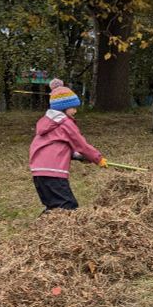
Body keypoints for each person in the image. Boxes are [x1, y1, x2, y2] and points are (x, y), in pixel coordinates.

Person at [29, 79, 106, 212]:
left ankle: (40, 231)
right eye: (73, 107)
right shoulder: (65, 123)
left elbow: (54, 148)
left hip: (39, 172)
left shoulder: (47, 123)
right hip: (54, 173)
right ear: (63, 107)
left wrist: (78, 157)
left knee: (54, 207)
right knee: (67, 206)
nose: (75, 111)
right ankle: (44, 230)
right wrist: (98, 159)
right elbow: (81, 144)